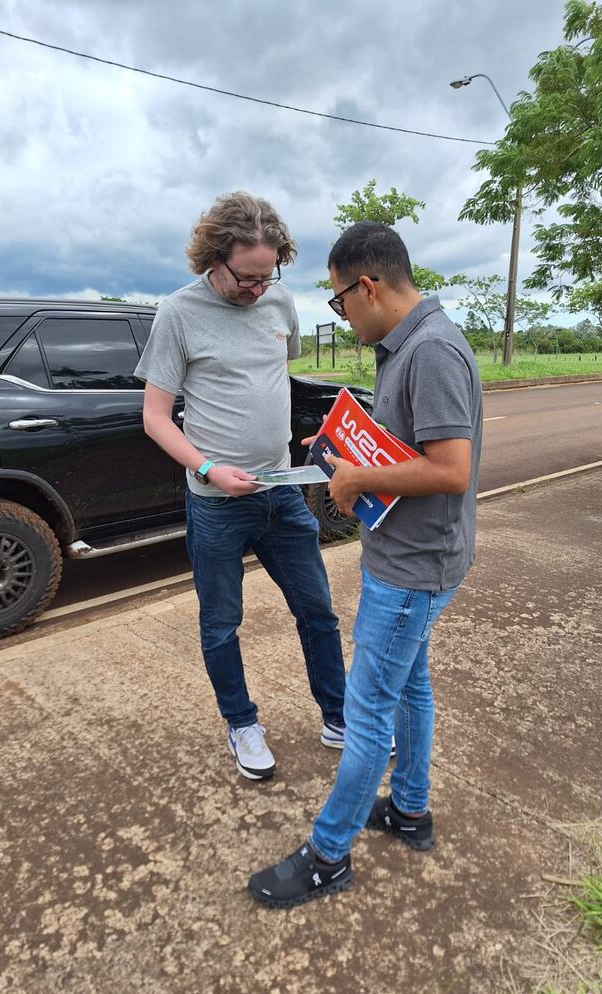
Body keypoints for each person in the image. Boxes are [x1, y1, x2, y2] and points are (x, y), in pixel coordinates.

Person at [249, 221, 483, 907]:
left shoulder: (433, 351)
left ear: (369, 285)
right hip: (411, 556)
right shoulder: (402, 346)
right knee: (410, 686)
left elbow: (451, 469)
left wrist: (351, 485)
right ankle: (409, 809)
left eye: (339, 300)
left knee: (367, 709)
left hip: (413, 567)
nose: (340, 312)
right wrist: (335, 450)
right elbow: (402, 443)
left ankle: (328, 853)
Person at [135, 191, 347, 781]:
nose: (259, 290)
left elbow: (278, 380)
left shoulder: (279, 301)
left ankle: (339, 715)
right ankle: (242, 724)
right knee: (222, 623)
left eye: (268, 276)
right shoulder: (178, 313)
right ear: (213, 257)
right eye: (247, 278)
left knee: (318, 612)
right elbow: (155, 417)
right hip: (217, 502)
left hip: (281, 490)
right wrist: (208, 470)